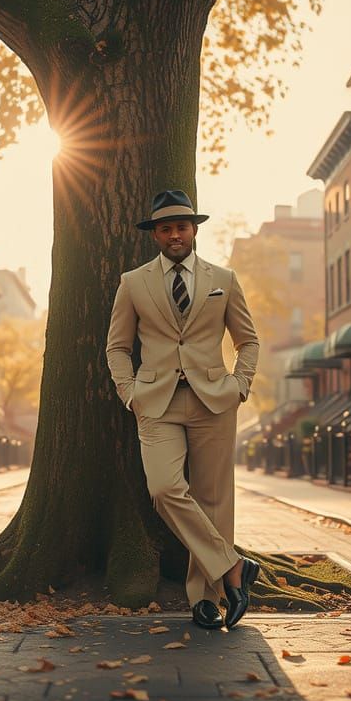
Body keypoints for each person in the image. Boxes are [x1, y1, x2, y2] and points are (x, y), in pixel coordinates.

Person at [106, 189, 261, 631]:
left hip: (215, 398)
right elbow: (117, 346)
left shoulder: (223, 279)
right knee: (164, 488)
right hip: (155, 402)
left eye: (181, 226)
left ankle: (206, 599)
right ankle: (233, 568)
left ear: (194, 230)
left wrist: (240, 384)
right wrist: (129, 391)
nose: (174, 234)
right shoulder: (133, 283)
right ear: (155, 235)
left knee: (214, 501)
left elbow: (247, 340)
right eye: (165, 228)